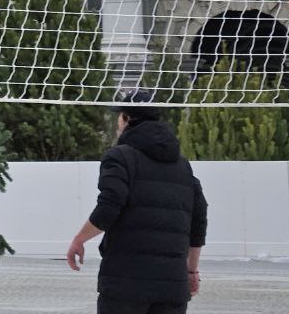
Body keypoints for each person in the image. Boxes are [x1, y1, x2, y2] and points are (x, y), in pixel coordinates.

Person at [66, 91, 208, 314]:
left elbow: (110, 204)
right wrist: (191, 271)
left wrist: (79, 239)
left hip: (126, 284)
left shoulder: (119, 157)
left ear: (126, 118)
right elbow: (199, 220)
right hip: (172, 285)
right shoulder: (182, 166)